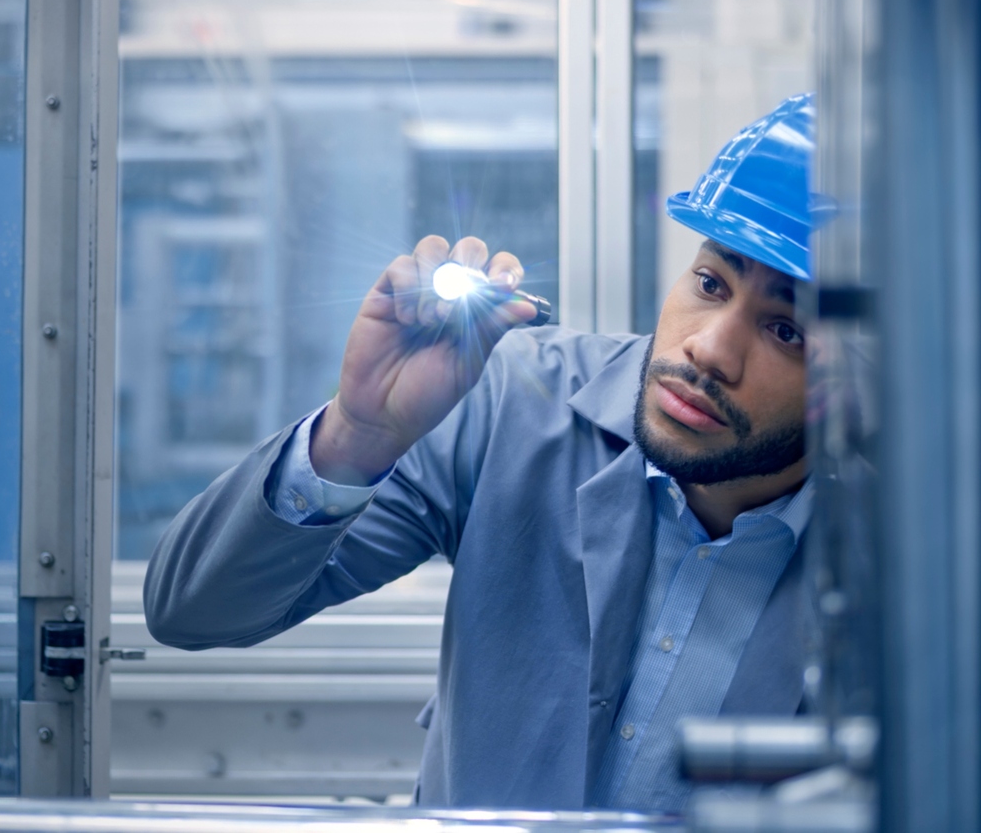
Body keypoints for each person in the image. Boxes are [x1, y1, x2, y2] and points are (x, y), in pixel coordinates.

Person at [144, 93, 821, 813]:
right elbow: (193, 612)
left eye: (786, 331)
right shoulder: (514, 402)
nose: (709, 348)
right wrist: (358, 434)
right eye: (710, 283)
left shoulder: (922, 561)